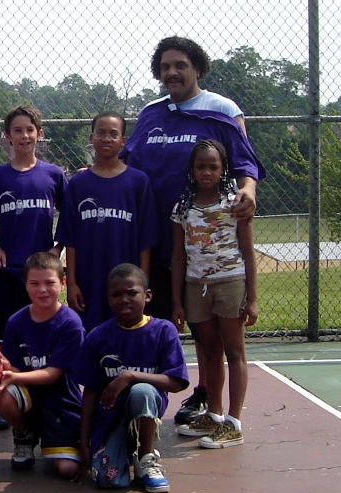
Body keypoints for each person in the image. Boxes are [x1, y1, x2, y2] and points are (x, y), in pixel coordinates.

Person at [122, 36, 264, 425]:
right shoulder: (151, 114)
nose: (172, 72)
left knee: (211, 335)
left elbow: (244, 163)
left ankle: (209, 401)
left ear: (197, 68)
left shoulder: (222, 110)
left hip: (208, 247)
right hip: (157, 238)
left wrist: (249, 190)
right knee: (160, 322)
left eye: (180, 65)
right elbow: (125, 161)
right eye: (165, 67)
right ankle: (144, 404)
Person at [0, 106, 66, 431]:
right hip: (9, 271)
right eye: (17, 130)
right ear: (7, 136)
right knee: (5, 340)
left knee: (43, 336)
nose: (24, 136)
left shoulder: (53, 175)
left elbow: (69, 216)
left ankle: (47, 397)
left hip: (40, 276)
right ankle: (8, 400)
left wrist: (56, 249)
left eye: (30, 129)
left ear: (39, 133)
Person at [171, 140, 258, 448]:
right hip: (197, 286)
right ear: (192, 170)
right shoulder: (182, 208)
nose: (206, 172)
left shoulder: (235, 204)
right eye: (201, 167)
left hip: (230, 282)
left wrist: (253, 298)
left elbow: (248, 252)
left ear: (223, 170)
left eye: (213, 166)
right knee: (209, 351)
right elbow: (178, 258)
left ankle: (234, 422)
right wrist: (178, 301)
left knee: (234, 351)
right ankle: (215, 413)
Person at [78, 264, 189, 493]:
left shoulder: (163, 331)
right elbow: (90, 391)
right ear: (108, 299)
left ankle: (146, 457)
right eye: (116, 295)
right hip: (110, 417)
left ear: (147, 296)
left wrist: (130, 376)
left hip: (144, 411)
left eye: (131, 293)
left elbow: (176, 383)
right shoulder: (98, 336)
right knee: (109, 481)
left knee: (142, 391)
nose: (124, 299)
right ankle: (125, 450)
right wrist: (84, 441)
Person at [56, 111, 157, 331]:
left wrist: (143, 282)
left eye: (113, 134)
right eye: (100, 133)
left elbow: (146, 241)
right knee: (90, 337)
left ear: (123, 140)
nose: (106, 139)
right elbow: (70, 241)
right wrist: (72, 283)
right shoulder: (79, 183)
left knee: (127, 335)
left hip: (127, 281)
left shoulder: (138, 182)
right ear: (91, 138)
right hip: (89, 279)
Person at [0, 252, 85, 478]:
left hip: (60, 399)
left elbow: (52, 374)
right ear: (25, 285)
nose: (42, 289)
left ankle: (52, 438)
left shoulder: (70, 323)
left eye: (49, 283)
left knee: (68, 470)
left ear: (62, 283)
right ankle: (24, 433)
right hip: (28, 393)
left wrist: (14, 376)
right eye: (34, 283)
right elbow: (12, 366)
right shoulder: (16, 321)